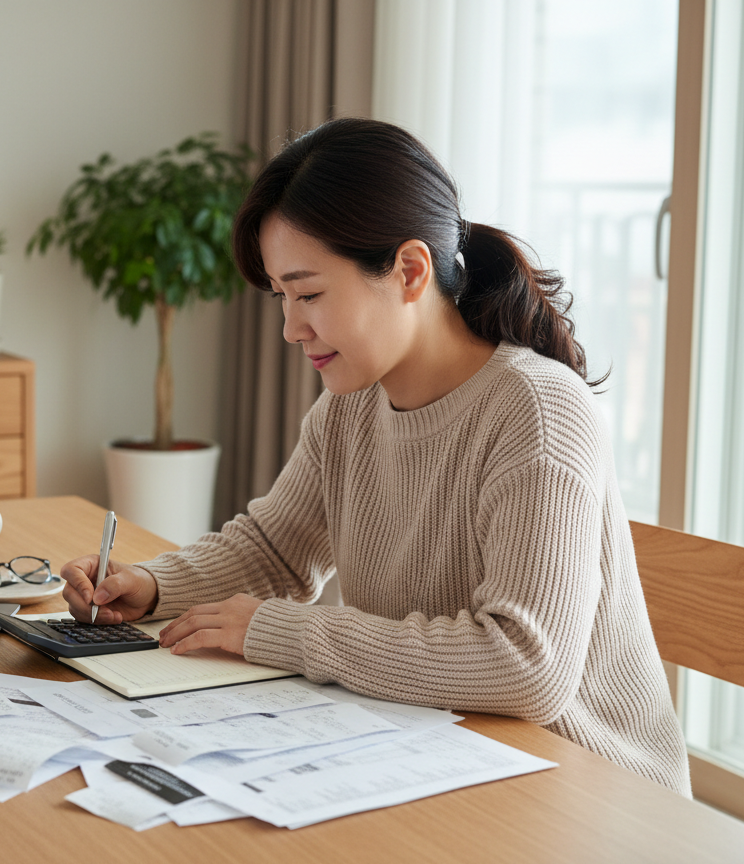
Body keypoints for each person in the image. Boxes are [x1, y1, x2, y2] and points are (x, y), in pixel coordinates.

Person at [60, 118, 691, 797]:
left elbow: (525, 667)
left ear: (410, 271)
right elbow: (277, 551)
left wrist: (285, 634)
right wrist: (153, 586)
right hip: (438, 754)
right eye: (282, 297)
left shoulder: (536, 411)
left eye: (309, 294)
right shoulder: (351, 405)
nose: (290, 328)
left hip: (586, 790)